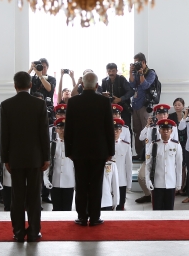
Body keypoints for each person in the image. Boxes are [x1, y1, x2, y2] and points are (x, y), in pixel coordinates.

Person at [0, 71, 50, 243]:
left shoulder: (6, 105)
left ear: (15, 86)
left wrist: (5, 158)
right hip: (35, 158)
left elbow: (4, 135)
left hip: (15, 158)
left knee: (17, 197)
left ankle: (18, 232)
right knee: (35, 196)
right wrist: (47, 157)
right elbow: (44, 134)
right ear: (30, 85)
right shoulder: (39, 104)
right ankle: (34, 232)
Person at [64, 71, 115, 227]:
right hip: (99, 151)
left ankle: (81, 216)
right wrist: (110, 152)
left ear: (82, 85)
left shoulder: (73, 102)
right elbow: (109, 129)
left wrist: (69, 151)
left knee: (81, 185)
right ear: (97, 85)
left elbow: (68, 130)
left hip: (78, 152)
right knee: (96, 184)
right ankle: (94, 217)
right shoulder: (104, 102)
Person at [136, 104, 179, 204]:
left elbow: (175, 143)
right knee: (142, 176)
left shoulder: (173, 127)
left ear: (167, 115)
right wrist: (147, 125)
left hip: (167, 157)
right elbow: (141, 138)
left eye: (164, 114)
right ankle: (149, 195)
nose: (162, 116)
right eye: (160, 114)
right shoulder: (151, 127)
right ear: (156, 115)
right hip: (151, 157)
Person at [145, 118, 183, 210]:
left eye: (168, 130)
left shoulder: (176, 145)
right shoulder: (153, 145)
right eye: (163, 129)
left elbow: (179, 165)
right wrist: (148, 180)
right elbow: (148, 165)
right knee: (157, 209)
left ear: (171, 131)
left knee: (169, 209)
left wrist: (179, 183)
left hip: (171, 182)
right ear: (159, 130)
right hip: (157, 182)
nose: (165, 132)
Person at [43, 117, 75, 212]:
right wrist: (45, 179)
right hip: (55, 180)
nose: (62, 130)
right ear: (56, 129)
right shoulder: (52, 145)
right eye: (60, 128)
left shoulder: (73, 145)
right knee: (56, 208)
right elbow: (47, 163)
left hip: (69, 181)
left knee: (67, 208)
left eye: (65, 128)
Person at [129, 52, 157, 157]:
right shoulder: (135, 72)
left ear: (143, 62)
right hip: (135, 104)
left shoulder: (150, 73)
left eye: (138, 63)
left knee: (146, 129)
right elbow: (131, 85)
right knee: (137, 130)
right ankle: (139, 153)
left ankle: (146, 152)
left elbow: (145, 86)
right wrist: (131, 72)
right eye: (135, 63)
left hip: (145, 105)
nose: (136, 65)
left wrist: (141, 74)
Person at [99, 62, 134, 134]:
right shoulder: (104, 81)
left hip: (123, 107)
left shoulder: (122, 79)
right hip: (111, 108)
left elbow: (131, 91)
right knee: (111, 127)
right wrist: (103, 94)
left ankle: (128, 144)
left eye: (113, 71)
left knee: (126, 127)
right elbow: (99, 94)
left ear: (116, 71)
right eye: (109, 71)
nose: (111, 73)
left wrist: (120, 99)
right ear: (107, 71)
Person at [111, 118, 132, 211]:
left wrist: (129, 183)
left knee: (120, 206)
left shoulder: (126, 145)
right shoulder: (105, 144)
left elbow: (129, 165)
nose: (115, 132)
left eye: (117, 129)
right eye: (113, 129)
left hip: (121, 180)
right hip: (108, 180)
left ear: (121, 130)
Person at [28, 58, 56, 123]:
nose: (42, 69)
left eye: (44, 67)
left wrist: (40, 76)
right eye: (40, 67)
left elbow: (49, 89)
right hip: (33, 108)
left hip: (47, 108)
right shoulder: (33, 78)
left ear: (47, 68)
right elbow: (22, 81)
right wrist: (31, 69)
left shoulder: (51, 79)